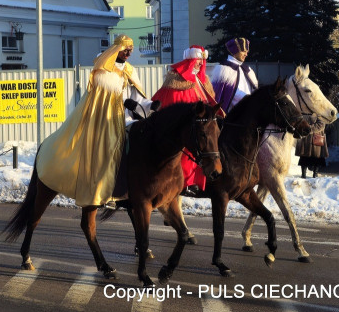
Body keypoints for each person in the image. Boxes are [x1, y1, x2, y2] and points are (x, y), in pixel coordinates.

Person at [35, 34, 139, 207]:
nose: (128, 54)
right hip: (100, 117)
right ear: (117, 49)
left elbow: (136, 96)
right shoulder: (103, 66)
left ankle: (127, 188)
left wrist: (149, 105)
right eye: (125, 50)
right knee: (101, 148)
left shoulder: (130, 70)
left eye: (130, 51)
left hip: (123, 116)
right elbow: (102, 91)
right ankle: (97, 188)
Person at [152, 45, 221, 194]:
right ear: (190, 60)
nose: (200, 63)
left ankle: (194, 181)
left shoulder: (202, 80)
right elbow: (173, 100)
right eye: (197, 60)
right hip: (185, 124)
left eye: (202, 61)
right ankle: (184, 182)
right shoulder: (177, 79)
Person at [211, 37, 259, 114]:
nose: (246, 54)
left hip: (249, 113)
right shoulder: (223, 70)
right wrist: (249, 100)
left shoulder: (247, 70)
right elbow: (218, 96)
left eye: (247, 51)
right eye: (243, 51)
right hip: (231, 117)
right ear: (235, 51)